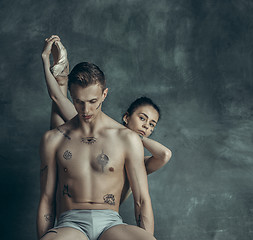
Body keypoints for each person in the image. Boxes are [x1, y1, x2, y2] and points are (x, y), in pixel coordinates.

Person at [37, 37, 156, 240]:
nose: (86, 110)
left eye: (93, 102)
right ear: (71, 97)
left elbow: (142, 200)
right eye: (78, 102)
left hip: (110, 223)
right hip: (70, 224)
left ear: (104, 95)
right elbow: (47, 200)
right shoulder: (54, 139)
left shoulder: (126, 138)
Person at [43, 35, 172, 204]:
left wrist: (134, 136)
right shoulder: (104, 134)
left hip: (106, 216)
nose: (146, 126)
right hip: (75, 200)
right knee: (59, 120)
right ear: (126, 117)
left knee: (58, 117)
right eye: (142, 118)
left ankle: (61, 76)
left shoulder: (138, 161)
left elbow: (164, 155)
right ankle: (62, 77)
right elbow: (58, 98)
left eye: (151, 124)